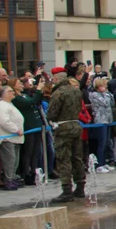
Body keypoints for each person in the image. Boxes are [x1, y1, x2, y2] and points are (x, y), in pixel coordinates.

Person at [47, 67, 87, 202]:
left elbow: (51, 113)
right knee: (77, 158)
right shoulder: (76, 91)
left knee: (63, 159)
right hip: (76, 125)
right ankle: (80, 186)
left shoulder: (58, 93)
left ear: (56, 79)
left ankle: (67, 190)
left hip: (63, 127)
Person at [0, 86, 25, 190]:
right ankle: (8, 179)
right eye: (10, 91)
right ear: (4, 94)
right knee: (9, 160)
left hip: (15, 138)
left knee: (15, 160)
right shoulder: (1, 106)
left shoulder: (10, 104)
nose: (13, 93)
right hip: (6, 137)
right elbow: (4, 121)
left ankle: (13, 177)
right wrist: (16, 129)